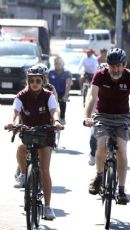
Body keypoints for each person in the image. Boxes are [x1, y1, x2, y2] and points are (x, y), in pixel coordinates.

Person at [84, 48, 130, 204]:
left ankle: (122, 190)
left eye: (119, 66)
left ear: (124, 65)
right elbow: (92, 97)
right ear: (108, 65)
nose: (116, 69)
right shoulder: (100, 75)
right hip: (103, 116)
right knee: (101, 145)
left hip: (123, 118)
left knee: (122, 149)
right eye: (112, 66)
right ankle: (99, 176)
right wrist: (87, 117)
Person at [5, 65, 64, 220]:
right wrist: (11, 122)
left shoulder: (49, 95)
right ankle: (24, 174)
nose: (35, 83)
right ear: (28, 81)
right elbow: (15, 111)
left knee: (44, 170)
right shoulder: (21, 95)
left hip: (45, 134)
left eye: (38, 80)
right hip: (28, 132)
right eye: (32, 80)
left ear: (43, 81)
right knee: (20, 148)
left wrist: (56, 121)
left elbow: (54, 110)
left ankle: (48, 207)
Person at [48, 56, 72, 124]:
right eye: (56, 63)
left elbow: (68, 85)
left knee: (62, 103)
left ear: (63, 64)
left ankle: (62, 117)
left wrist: (66, 95)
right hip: (52, 93)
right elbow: (46, 83)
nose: (57, 65)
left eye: (59, 63)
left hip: (62, 93)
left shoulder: (67, 73)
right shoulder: (50, 72)